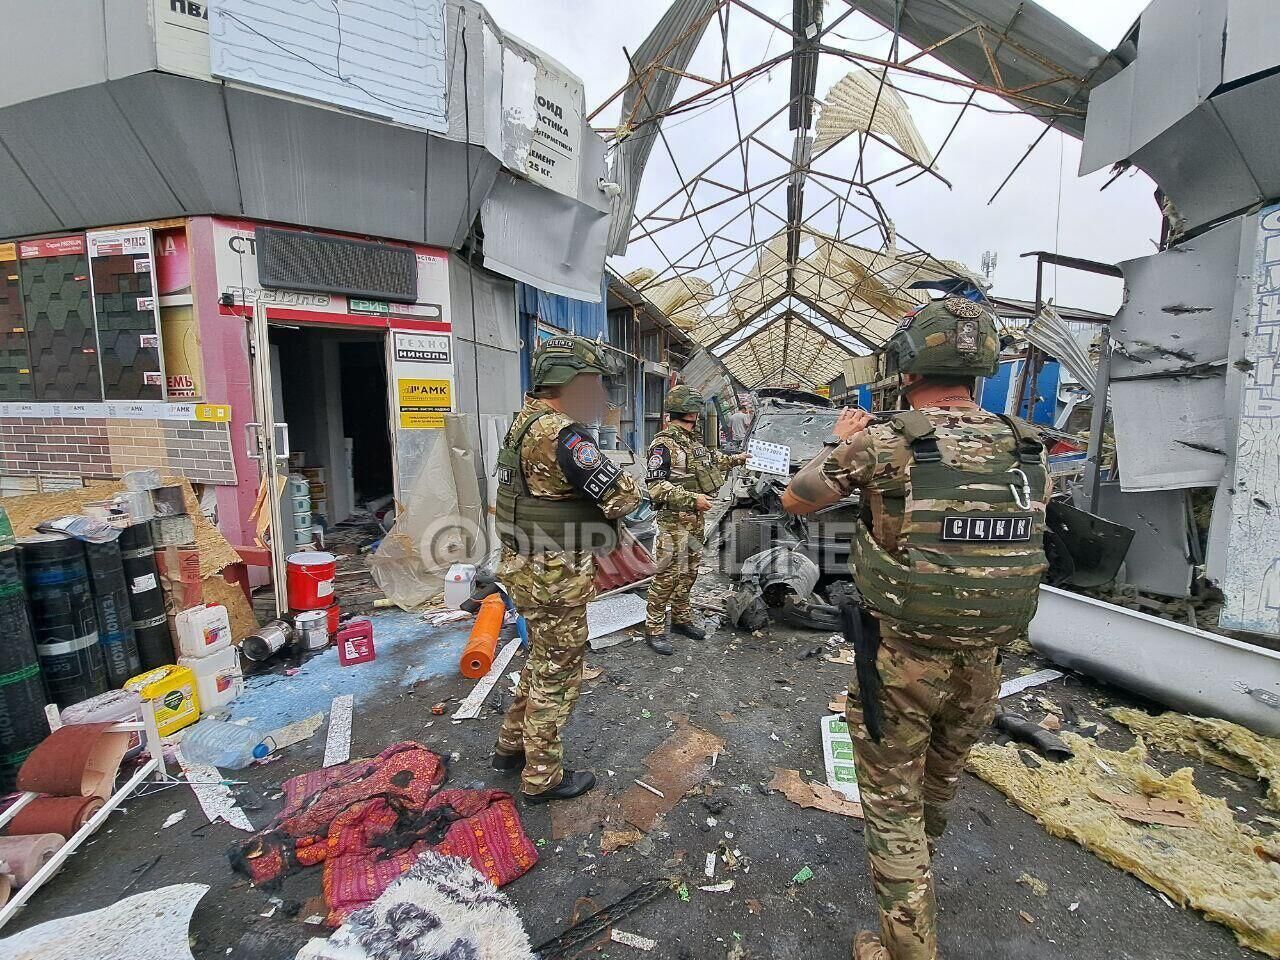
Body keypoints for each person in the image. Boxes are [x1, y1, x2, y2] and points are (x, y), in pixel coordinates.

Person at [779, 296, 1049, 960]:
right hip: (984, 661)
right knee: (938, 780)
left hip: (901, 658)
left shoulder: (885, 443)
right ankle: (917, 876)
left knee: (892, 804)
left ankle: (906, 945)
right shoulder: (1024, 445)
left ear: (906, 364)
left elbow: (796, 497)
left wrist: (846, 441)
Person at [491, 336, 641, 802]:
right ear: (569, 382)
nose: (598, 396)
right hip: (555, 576)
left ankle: (510, 747)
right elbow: (624, 496)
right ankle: (542, 777)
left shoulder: (522, 423)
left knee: (541, 659)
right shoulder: (565, 436)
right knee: (559, 674)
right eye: (593, 384)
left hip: (523, 567)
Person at [643, 385, 747, 655]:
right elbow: (655, 486)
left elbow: (712, 460)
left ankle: (680, 619)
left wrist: (739, 459)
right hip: (673, 521)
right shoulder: (663, 444)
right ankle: (654, 628)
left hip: (694, 521)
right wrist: (692, 499)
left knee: (689, 573)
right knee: (667, 576)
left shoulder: (692, 441)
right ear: (691, 411)